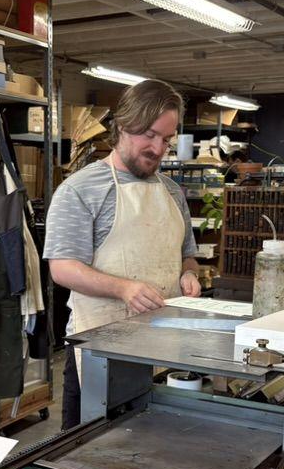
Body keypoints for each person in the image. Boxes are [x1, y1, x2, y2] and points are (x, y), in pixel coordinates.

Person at [44, 79, 200, 430]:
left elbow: (187, 254)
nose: (157, 148)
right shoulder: (80, 190)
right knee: (89, 450)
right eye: (148, 134)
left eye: (166, 139)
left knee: (155, 441)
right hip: (102, 348)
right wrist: (123, 288)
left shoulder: (173, 192)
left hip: (163, 345)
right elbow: (62, 268)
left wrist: (189, 273)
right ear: (123, 125)